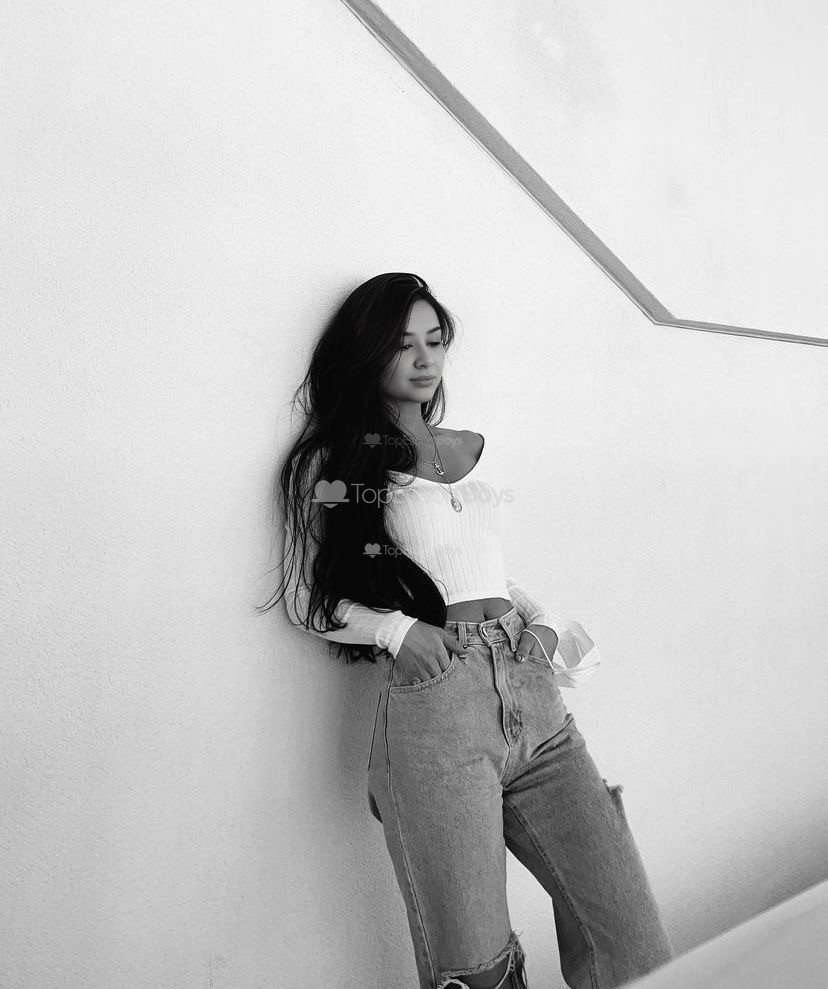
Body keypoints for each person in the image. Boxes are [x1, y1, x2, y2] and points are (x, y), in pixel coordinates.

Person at [258, 273, 676, 988]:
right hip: (438, 719)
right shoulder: (337, 462)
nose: (426, 359)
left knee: (633, 940)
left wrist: (543, 624)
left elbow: (483, 569)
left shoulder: (468, 448)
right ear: (367, 352)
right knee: (479, 971)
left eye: (435, 340)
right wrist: (397, 632)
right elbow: (307, 596)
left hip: (534, 702)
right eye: (403, 345)